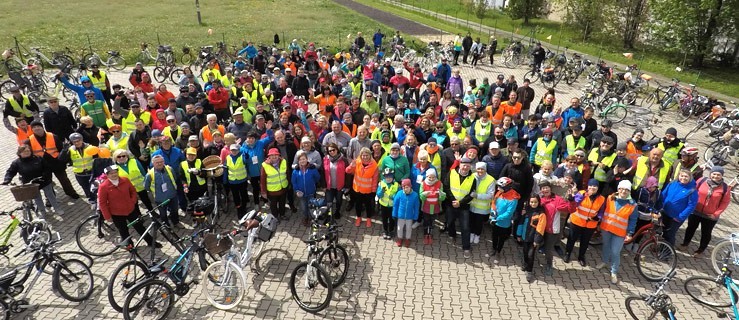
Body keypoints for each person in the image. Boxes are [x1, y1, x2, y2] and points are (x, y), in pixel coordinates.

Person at [98, 165, 160, 248]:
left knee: (140, 227)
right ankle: (130, 247)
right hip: (117, 214)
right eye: (111, 173)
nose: (114, 175)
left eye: (115, 172)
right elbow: (102, 203)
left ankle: (150, 242)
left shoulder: (125, 180)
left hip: (130, 210)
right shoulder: (103, 187)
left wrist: (133, 201)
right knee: (123, 231)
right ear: (107, 175)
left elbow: (133, 191)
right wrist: (107, 216)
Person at [680, 165, 731, 257]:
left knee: (706, 233)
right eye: (714, 174)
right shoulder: (702, 181)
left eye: (718, 175)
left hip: (710, 215)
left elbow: (725, 203)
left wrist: (716, 214)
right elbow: (693, 191)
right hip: (695, 211)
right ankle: (685, 244)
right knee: (690, 228)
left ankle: (700, 250)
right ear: (710, 174)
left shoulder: (725, 188)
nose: (715, 176)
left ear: (722, 176)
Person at [596, 180, 639, 284]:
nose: (623, 191)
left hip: (620, 232)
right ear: (618, 189)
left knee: (615, 252)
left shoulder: (633, 205)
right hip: (606, 228)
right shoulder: (610, 198)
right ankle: (605, 262)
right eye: (621, 189)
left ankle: (614, 271)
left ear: (629, 191)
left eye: (626, 190)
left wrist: (629, 233)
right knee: (606, 245)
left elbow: (633, 220)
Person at [2, 145, 62, 216]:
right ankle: (42, 212)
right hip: (30, 184)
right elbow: (10, 172)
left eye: (28, 151)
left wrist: (45, 176)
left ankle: (57, 209)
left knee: (50, 196)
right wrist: (7, 179)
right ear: (19, 153)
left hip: (44, 181)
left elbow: (47, 168)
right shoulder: (16, 163)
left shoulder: (38, 158)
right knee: (37, 199)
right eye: (24, 151)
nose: (27, 152)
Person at [28, 121, 80, 199]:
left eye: (38, 126)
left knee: (64, 179)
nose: (37, 128)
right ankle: (50, 198)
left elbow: (61, 149)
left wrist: (64, 161)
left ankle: (71, 192)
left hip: (56, 162)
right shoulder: (29, 140)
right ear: (32, 130)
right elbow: (30, 154)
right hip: (43, 165)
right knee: (47, 183)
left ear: (42, 127)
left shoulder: (53, 136)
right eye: (34, 127)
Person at [564, 179, 605, 266]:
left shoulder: (602, 199)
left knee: (585, 242)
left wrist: (598, 217)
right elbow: (576, 203)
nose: (592, 188)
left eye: (595, 186)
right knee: (572, 239)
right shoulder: (582, 193)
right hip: (577, 222)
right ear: (588, 186)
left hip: (590, 225)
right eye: (590, 186)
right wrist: (584, 196)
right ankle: (567, 253)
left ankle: (581, 257)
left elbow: (601, 211)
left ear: (598, 188)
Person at [538, 180, 575, 276]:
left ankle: (549, 265)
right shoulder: (539, 199)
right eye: (543, 188)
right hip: (539, 229)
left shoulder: (557, 200)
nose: (545, 190)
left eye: (547, 187)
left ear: (551, 188)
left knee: (548, 249)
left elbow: (570, 209)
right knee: (535, 245)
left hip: (552, 230)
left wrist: (571, 200)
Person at [444, 156, 477, 258]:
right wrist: (453, 200)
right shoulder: (452, 172)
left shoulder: (473, 178)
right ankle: (452, 235)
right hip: (451, 203)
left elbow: (472, 194)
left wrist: (460, 203)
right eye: (463, 165)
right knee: (449, 222)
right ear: (460, 165)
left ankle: (466, 248)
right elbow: (446, 187)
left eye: (467, 166)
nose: (465, 167)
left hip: (464, 206)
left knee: (465, 227)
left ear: (470, 166)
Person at [660, 169, 698, 246]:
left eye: (686, 176)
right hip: (665, 212)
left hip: (676, 217)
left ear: (690, 177)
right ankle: (661, 247)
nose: (683, 178)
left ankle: (666, 253)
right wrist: (660, 206)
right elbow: (663, 195)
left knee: (670, 235)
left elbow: (691, 206)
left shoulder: (692, 190)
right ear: (678, 176)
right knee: (663, 231)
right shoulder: (672, 183)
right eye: (682, 176)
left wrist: (680, 217)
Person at [487, 177, 520, 264]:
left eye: (500, 186)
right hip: (495, 220)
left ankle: (498, 252)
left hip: (504, 223)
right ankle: (493, 249)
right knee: (494, 236)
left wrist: (497, 219)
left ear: (507, 187)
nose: (498, 188)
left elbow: (509, 213)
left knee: (501, 239)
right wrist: (492, 212)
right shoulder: (500, 193)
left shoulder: (513, 199)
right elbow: (493, 202)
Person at [144, 155, 180, 227]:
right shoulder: (149, 175)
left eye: (161, 162)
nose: (159, 164)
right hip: (160, 198)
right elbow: (146, 186)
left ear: (164, 162)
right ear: (153, 163)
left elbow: (174, 178)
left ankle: (176, 222)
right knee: (163, 214)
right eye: (157, 162)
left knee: (175, 211)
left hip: (172, 195)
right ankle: (166, 226)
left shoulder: (170, 169)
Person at [346, 148, 379, 227]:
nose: (365, 157)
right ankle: (358, 217)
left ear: (370, 155)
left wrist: (373, 191)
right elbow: (347, 171)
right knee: (358, 204)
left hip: (368, 190)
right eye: (363, 155)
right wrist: (351, 166)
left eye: (366, 155)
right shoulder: (356, 162)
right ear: (360, 155)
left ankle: (368, 219)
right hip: (357, 189)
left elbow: (375, 179)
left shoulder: (374, 165)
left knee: (368, 205)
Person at [519, 194, 546, 283]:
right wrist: (519, 235)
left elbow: (540, 228)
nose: (533, 204)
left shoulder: (541, 214)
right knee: (525, 252)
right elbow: (521, 223)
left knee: (531, 255)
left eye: (535, 202)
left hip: (533, 239)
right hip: (525, 237)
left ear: (539, 202)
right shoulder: (526, 211)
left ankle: (529, 271)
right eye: (531, 202)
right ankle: (525, 264)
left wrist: (537, 240)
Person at [67, 133, 100, 205]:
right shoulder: (70, 149)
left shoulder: (90, 147)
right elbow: (62, 159)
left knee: (95, 187)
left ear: (82, 140)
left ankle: (99, 200)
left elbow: (97, 158)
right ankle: (92, 200)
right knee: (85, 188)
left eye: (78, 141)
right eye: (74, 142)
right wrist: (64, 150)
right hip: (79, 173)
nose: (77, 143)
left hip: (91, 171)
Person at [469, 162, 496, 245]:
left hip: (482, 208)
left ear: (485, 169)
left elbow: (490, 195)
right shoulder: (472, 176)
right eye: (478, 169)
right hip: (472, 205)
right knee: (471, 221)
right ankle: (471, 233)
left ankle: (477, 235)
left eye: (482, 169)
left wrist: (477, 195)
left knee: (478, 223)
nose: (480, 171)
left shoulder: (491, 179)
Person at [261, 148, 290, 220]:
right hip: (272, 191)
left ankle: (282, 214)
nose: (274, 157)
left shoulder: (283, 161)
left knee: (282, 203)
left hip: (283, 188)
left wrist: (289, 184)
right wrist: (263, 192)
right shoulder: (265, 165)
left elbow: (287, 173)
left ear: (278, 155)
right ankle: (275, 217)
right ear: (269, 157)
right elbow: (262, 180)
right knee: (273, 205)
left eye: (276, 155)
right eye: (272, 155)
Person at [323, 143, 349, 219]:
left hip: (340, 186)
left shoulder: (344, 159)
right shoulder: (325, 159)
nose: (331, 152)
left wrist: (347, 186)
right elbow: (322, 172)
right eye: (329, 151)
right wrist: (323, 185)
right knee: (329, 201)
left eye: (333, 150)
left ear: (337, 149)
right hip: (329, 185)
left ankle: (337, 211)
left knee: (338, 200)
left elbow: (347, 173)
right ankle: (329, 213)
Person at [392, 178, 420, 247]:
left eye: (407, 187)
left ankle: (408, 239)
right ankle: (400, 238)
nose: (405, 189)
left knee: (409, 228)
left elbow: (416, 207)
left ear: (410, 186)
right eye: (403, 187)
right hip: (400, 215)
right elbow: (395, 204)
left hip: (409, 216)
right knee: (399, 228)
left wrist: (416, 215)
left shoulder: (415, 195)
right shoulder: (399, 194)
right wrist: (394, 213)